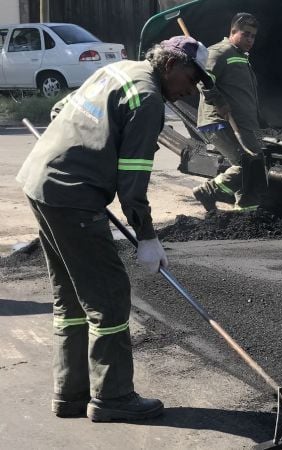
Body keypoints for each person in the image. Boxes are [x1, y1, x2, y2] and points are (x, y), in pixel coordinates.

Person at [16, 36, 213, 421]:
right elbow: (132, 182)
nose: (193, 89)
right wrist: (148, 236)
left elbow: (60, 109)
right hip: (73, 196)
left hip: (40, 183)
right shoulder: (150, 99)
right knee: (108, 295)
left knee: (72, 296)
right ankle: (112, 398)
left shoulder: (116, 70)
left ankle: (70, 394)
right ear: (171, 65)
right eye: (192, 78)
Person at [192, 12, 267, 212]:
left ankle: (246, 212)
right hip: (220, 121)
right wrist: (219, 102)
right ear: (233, 32)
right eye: (246, 34)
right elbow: (203, 80)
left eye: (253, 36)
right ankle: (208, 190)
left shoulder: (241, 57)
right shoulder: (219, 51)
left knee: (254, 166)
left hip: (244, 123)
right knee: (245, 165)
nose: (250, 40)